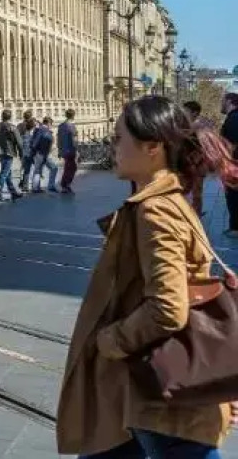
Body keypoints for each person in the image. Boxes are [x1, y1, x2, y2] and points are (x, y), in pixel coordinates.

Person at [56, 95, 238, 458]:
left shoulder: (156, 211)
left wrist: (111, 341)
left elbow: (169, 306)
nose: (113, 147)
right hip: (149, 389)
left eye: (118, 139)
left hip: (158, 389)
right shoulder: (172, 201)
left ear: (152, 147)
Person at [183, 101, 211, 216]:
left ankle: (196, 214)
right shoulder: (188, 125)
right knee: (185, 190)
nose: (183, 113)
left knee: (196, 192)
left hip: (197, 164)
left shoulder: (199, 125)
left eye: (186, 111)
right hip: (188, 163)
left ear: (194, 113)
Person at [0, 109, 24, 202]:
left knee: (7, 172)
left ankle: (13, 192)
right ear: (10, 116)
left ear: (2, 116)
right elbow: (19, 142)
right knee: (5, 172)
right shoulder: (12, 127)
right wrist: (21, 154)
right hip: (8, 152)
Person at [222, 93, 238, 235]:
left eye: (223, 100)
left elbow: (232, 144)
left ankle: (235, 228)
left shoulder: (233, 118)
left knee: (233, 195)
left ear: (230, 101)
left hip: (234, 165)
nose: (221, 103)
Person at [29, 118, 58, 193]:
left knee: (41, 170)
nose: (51, 126)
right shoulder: (42, 130)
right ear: (48, 123)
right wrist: (35, 152)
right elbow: (35, 142)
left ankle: (37, 187)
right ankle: (39, 187)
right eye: (51, 124)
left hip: (42, 153)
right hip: (41, 153)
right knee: (40, 170)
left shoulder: (40, 130)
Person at [58, 109, 80, 196]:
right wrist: (77, 150)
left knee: (68, 167)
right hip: (71, 150)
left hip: (63, 150)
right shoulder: (72, 126)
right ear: (73, 116)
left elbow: (59, 139)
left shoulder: (61, 126)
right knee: (72, 168)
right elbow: (74, 140)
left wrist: (60, 150)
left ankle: (65, 185)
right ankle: (65, 185)